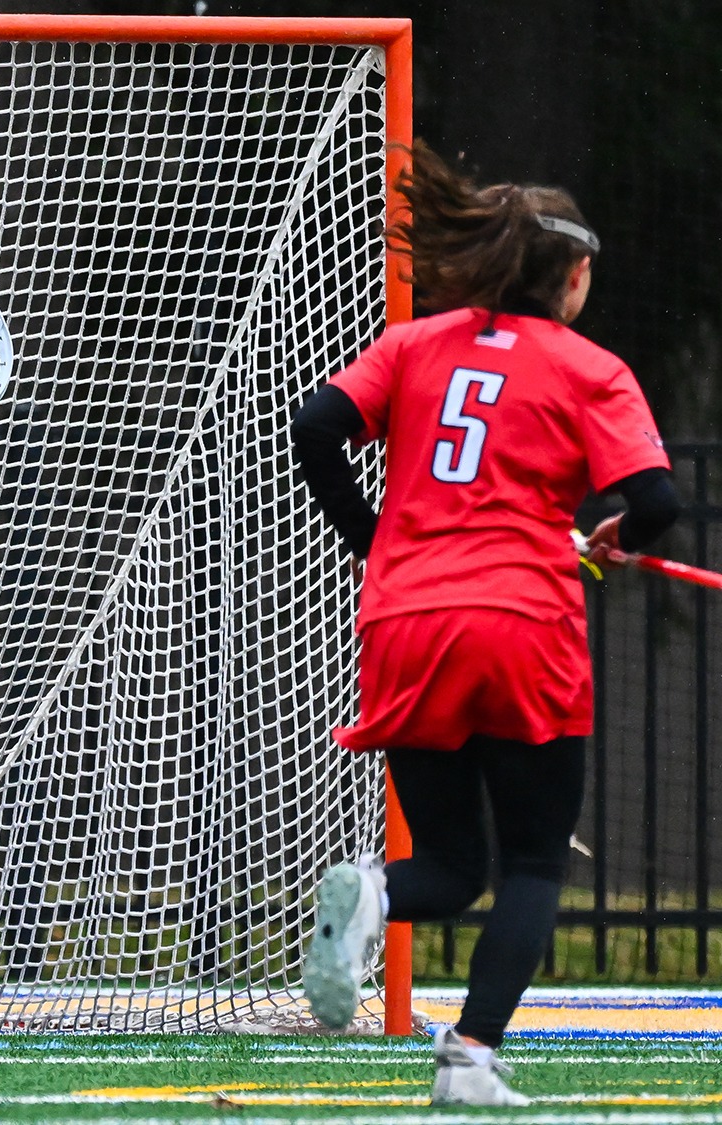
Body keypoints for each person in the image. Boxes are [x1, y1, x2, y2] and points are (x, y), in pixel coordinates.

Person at [291, 141, 679, 1106]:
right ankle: (468, 1060)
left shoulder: (416, 344)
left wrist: (376, 540)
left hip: (405, 617)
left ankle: (377, 892)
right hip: (521, 620)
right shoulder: (591, 367)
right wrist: (616, 532)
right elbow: (657, 499)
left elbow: (314, 426)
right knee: (535, 860)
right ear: (575, 273)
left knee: (451, 865)